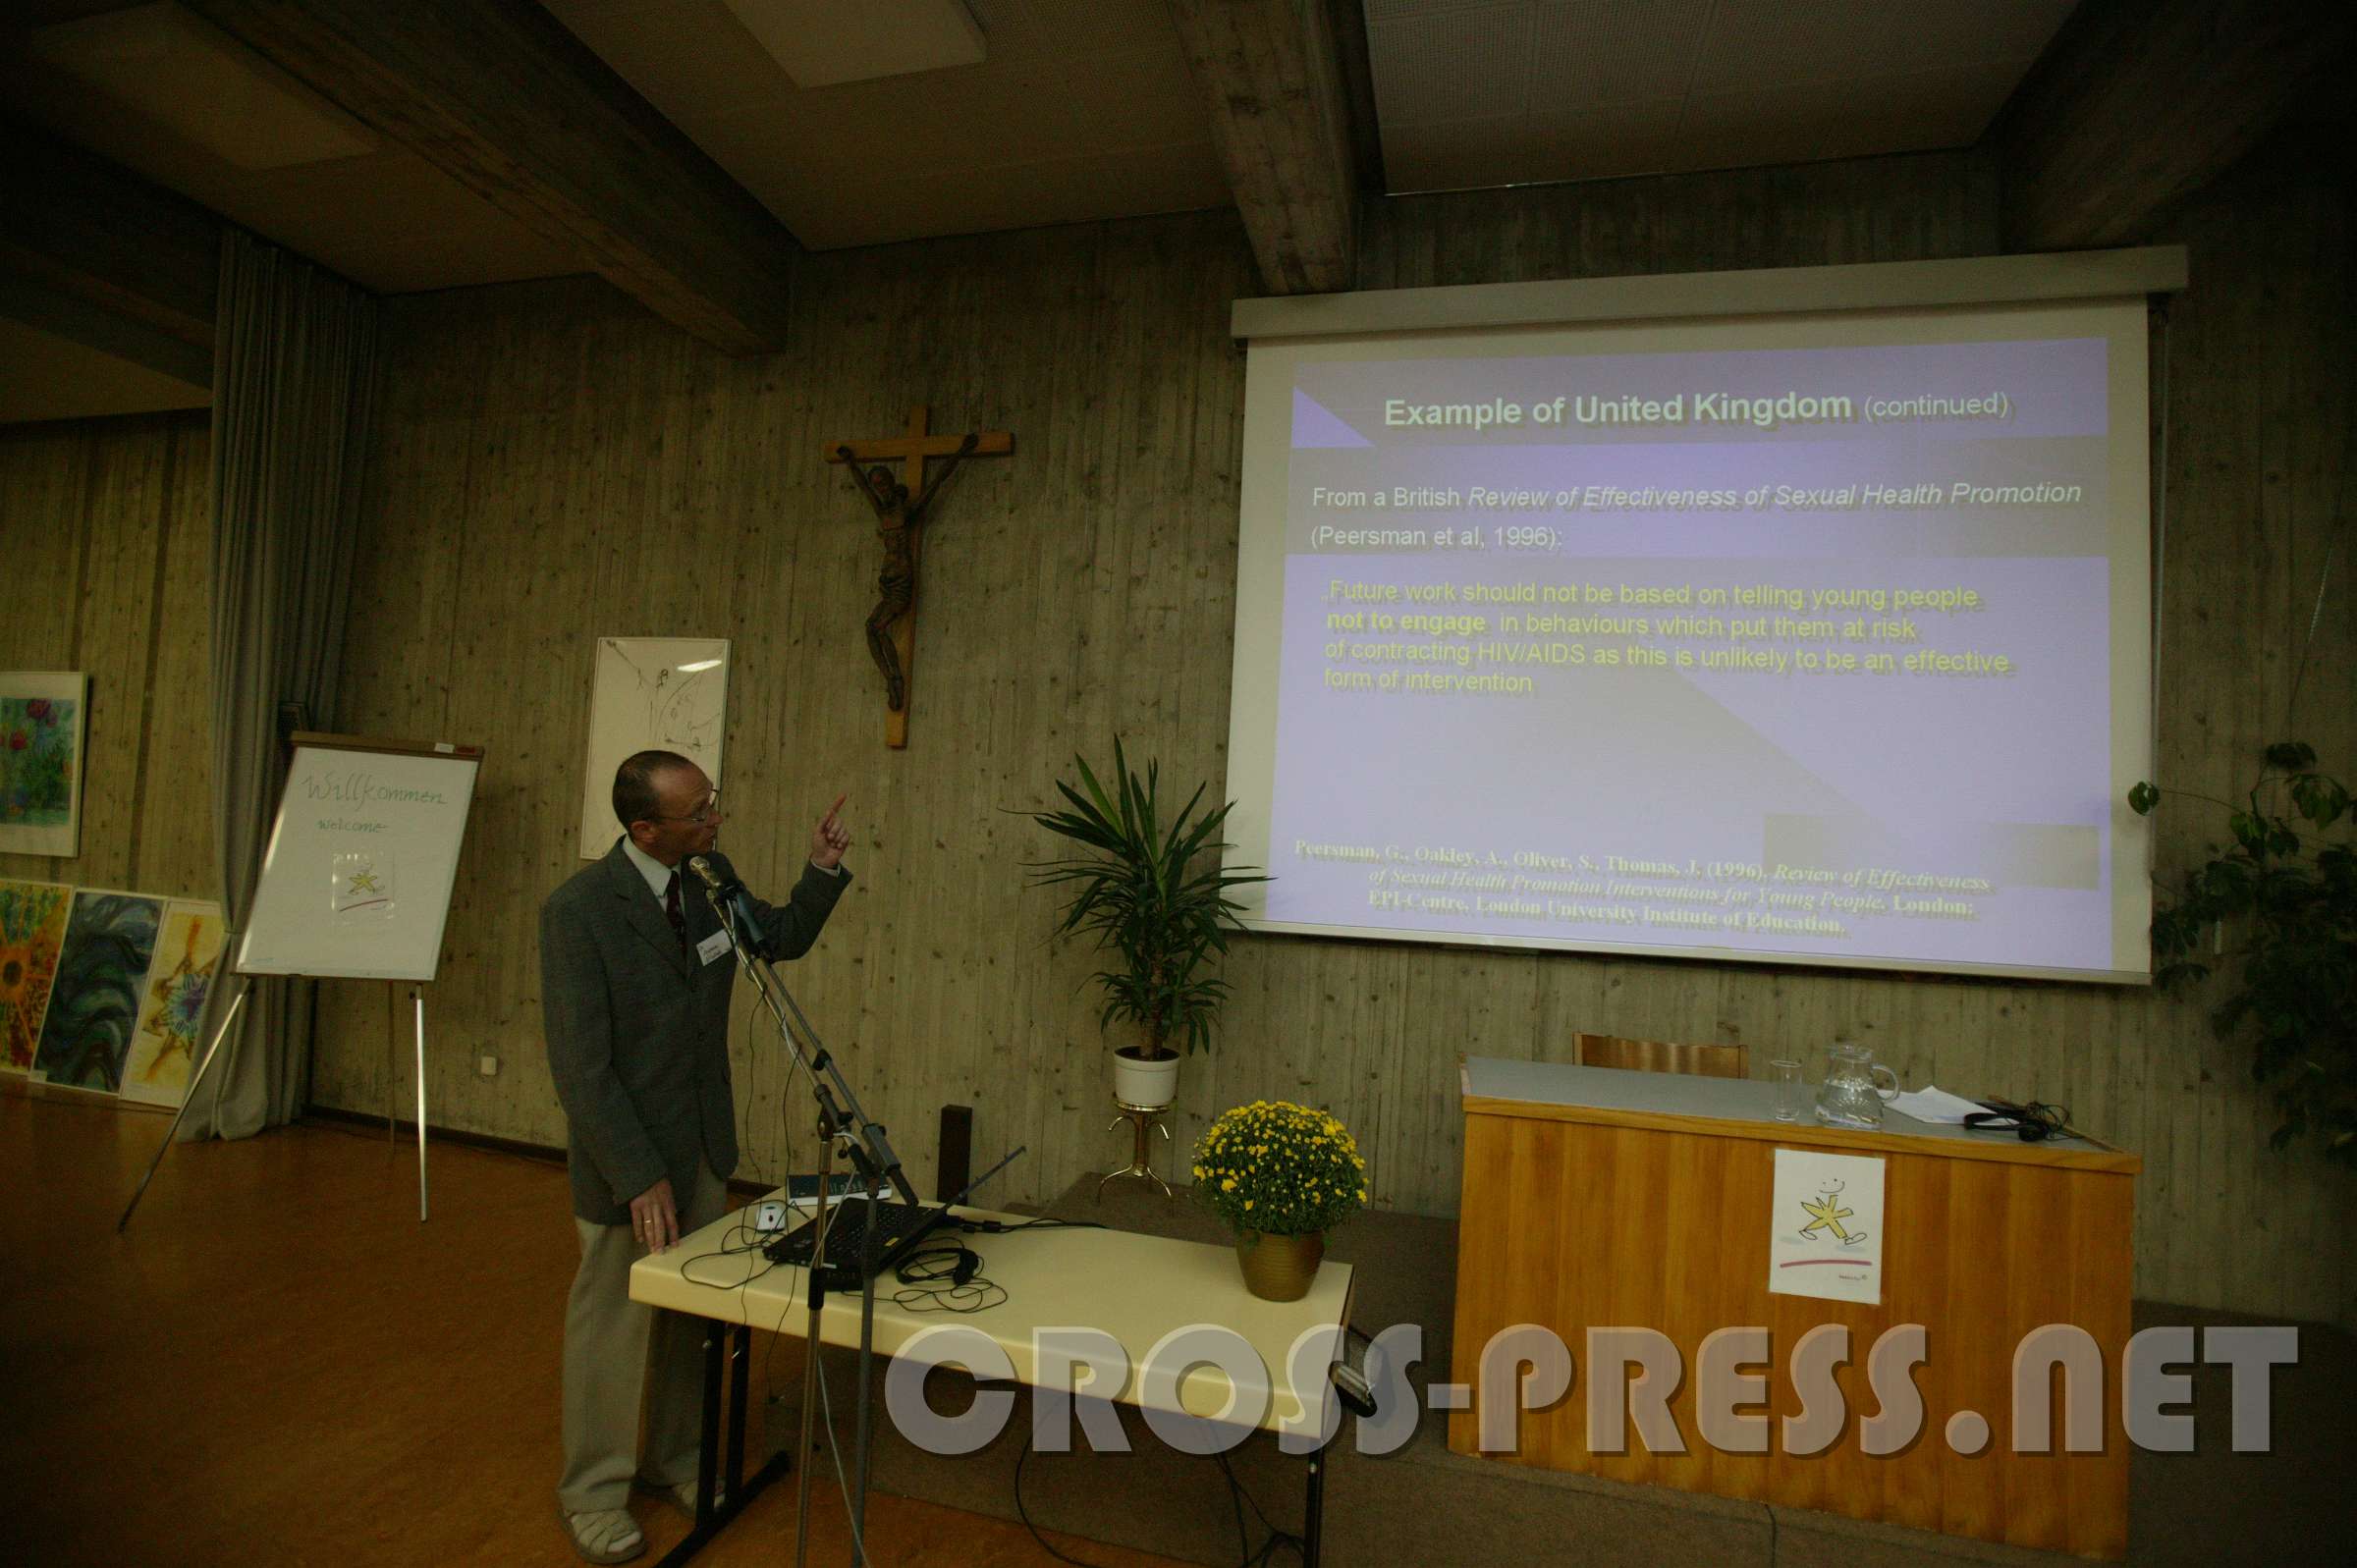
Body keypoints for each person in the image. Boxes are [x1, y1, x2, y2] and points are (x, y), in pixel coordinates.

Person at [540, 749, 852, 1563]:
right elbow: (580, 1069)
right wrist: (637, 1173)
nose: (716, 818)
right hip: (627, 1163)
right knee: (614, 1331)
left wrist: (820, 869)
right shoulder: (578, 911)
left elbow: (776, 937)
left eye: (713, 802)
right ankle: (593, 1492)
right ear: (645, 828)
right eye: (699, 811)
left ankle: (675, 1458)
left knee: (690, 1319)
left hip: (703, 1146)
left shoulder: (710, 877)